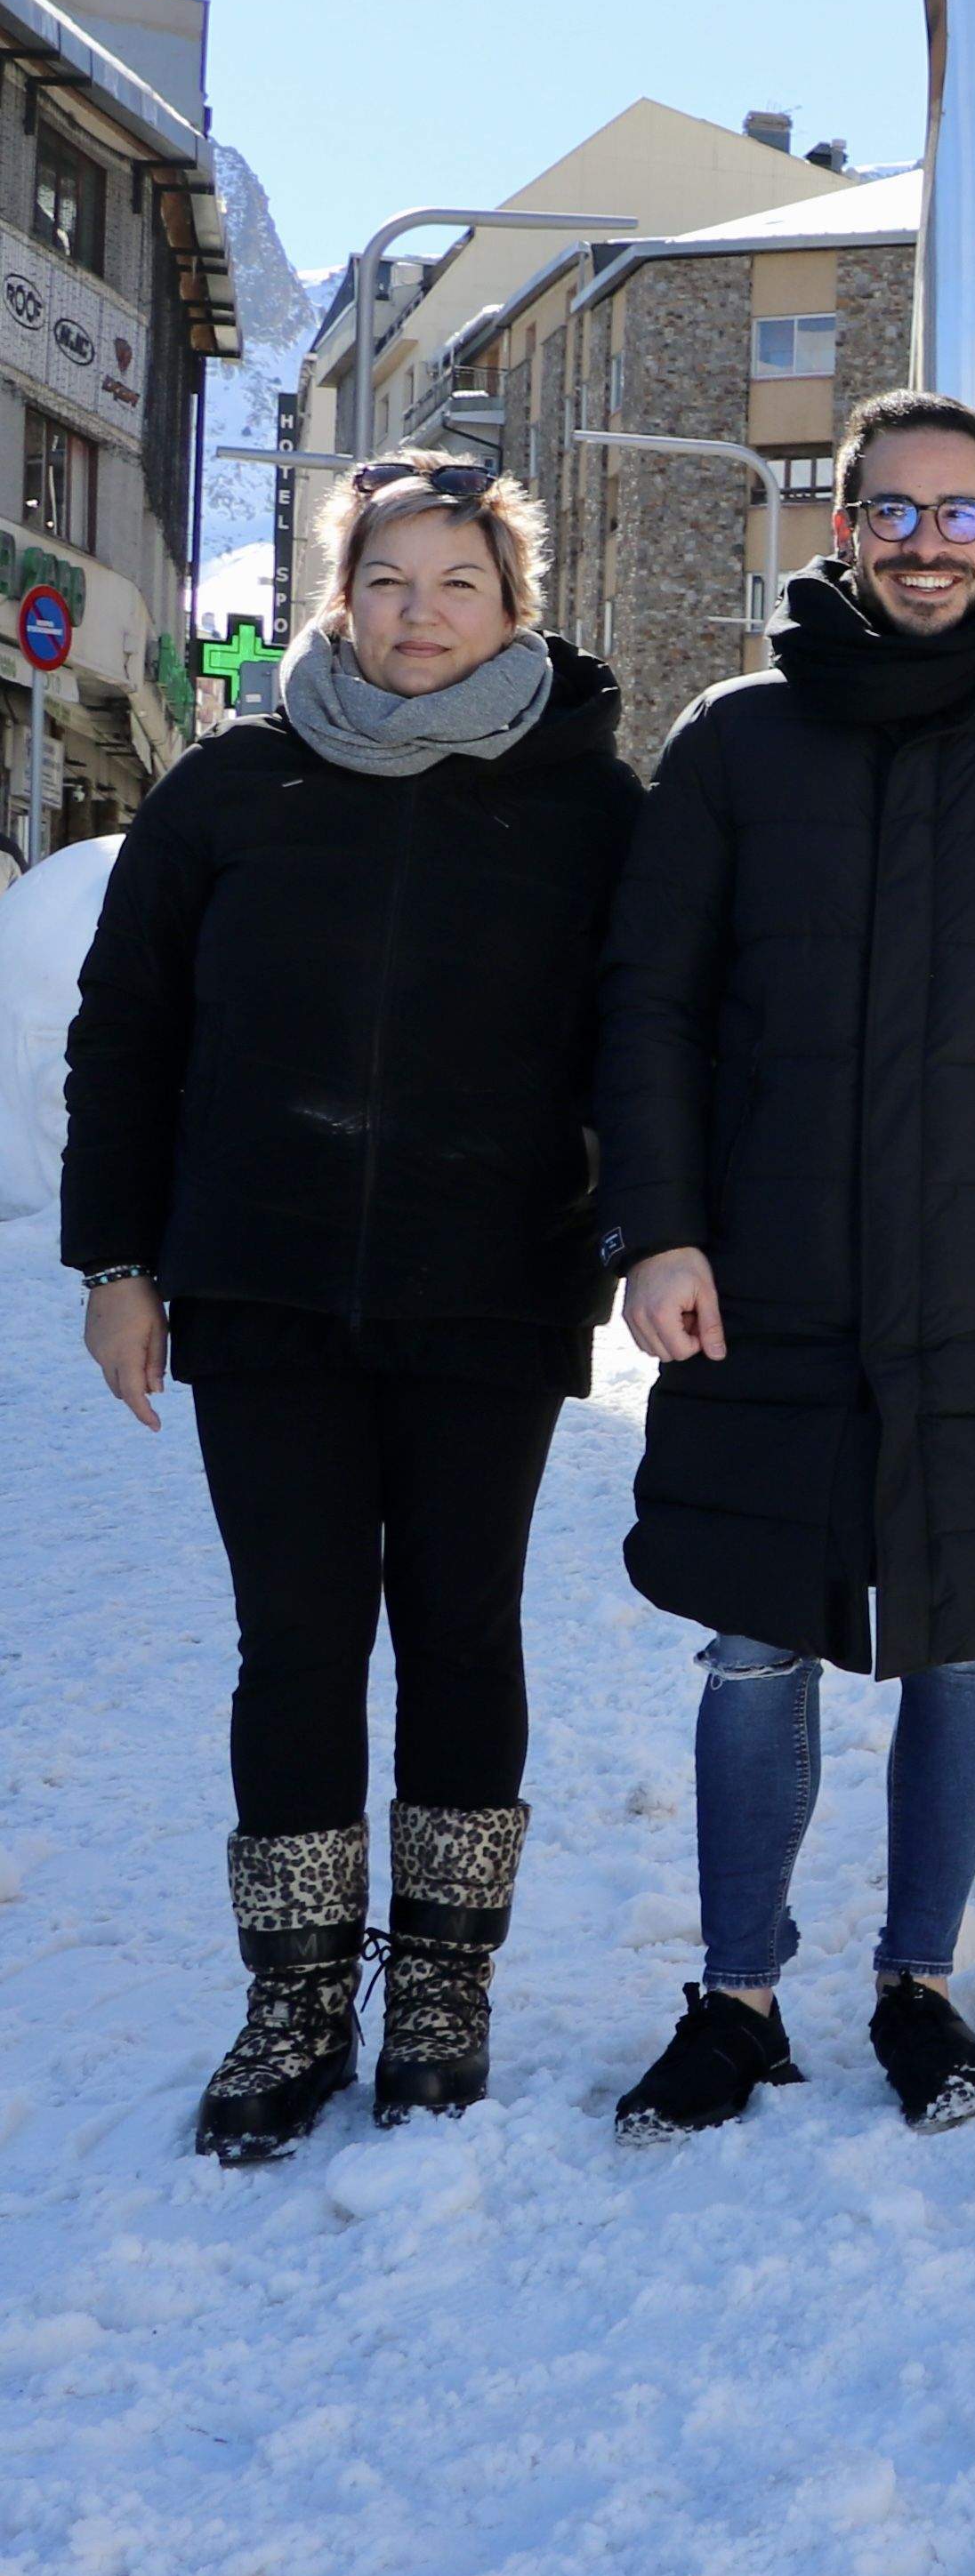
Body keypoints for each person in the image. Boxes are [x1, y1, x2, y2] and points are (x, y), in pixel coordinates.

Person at [590, 389, 975, 2137]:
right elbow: (650, 1009)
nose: (927, 540)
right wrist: (660, 1227)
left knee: (962, 1632)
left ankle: (916, 1987)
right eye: (892, 511)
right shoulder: (731, 747)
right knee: (752, 1643)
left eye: (960, 512)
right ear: (842, 527)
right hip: (762, 1274)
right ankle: (736, 1996)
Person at [59, 457, 642, 2161]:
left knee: (463, 1632)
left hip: (490, 1291)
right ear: (339, 592)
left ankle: (446, 1983)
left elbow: (656, 1035)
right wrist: (118, 1266)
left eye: (459, 582)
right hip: (261, 1283)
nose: (420, 614)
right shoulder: (230, 788)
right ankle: (298, 1994)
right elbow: (126, 1031)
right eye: (389, 580)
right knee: (297, 1643)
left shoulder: (594, 806)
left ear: (513, 605)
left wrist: (642, 1228)